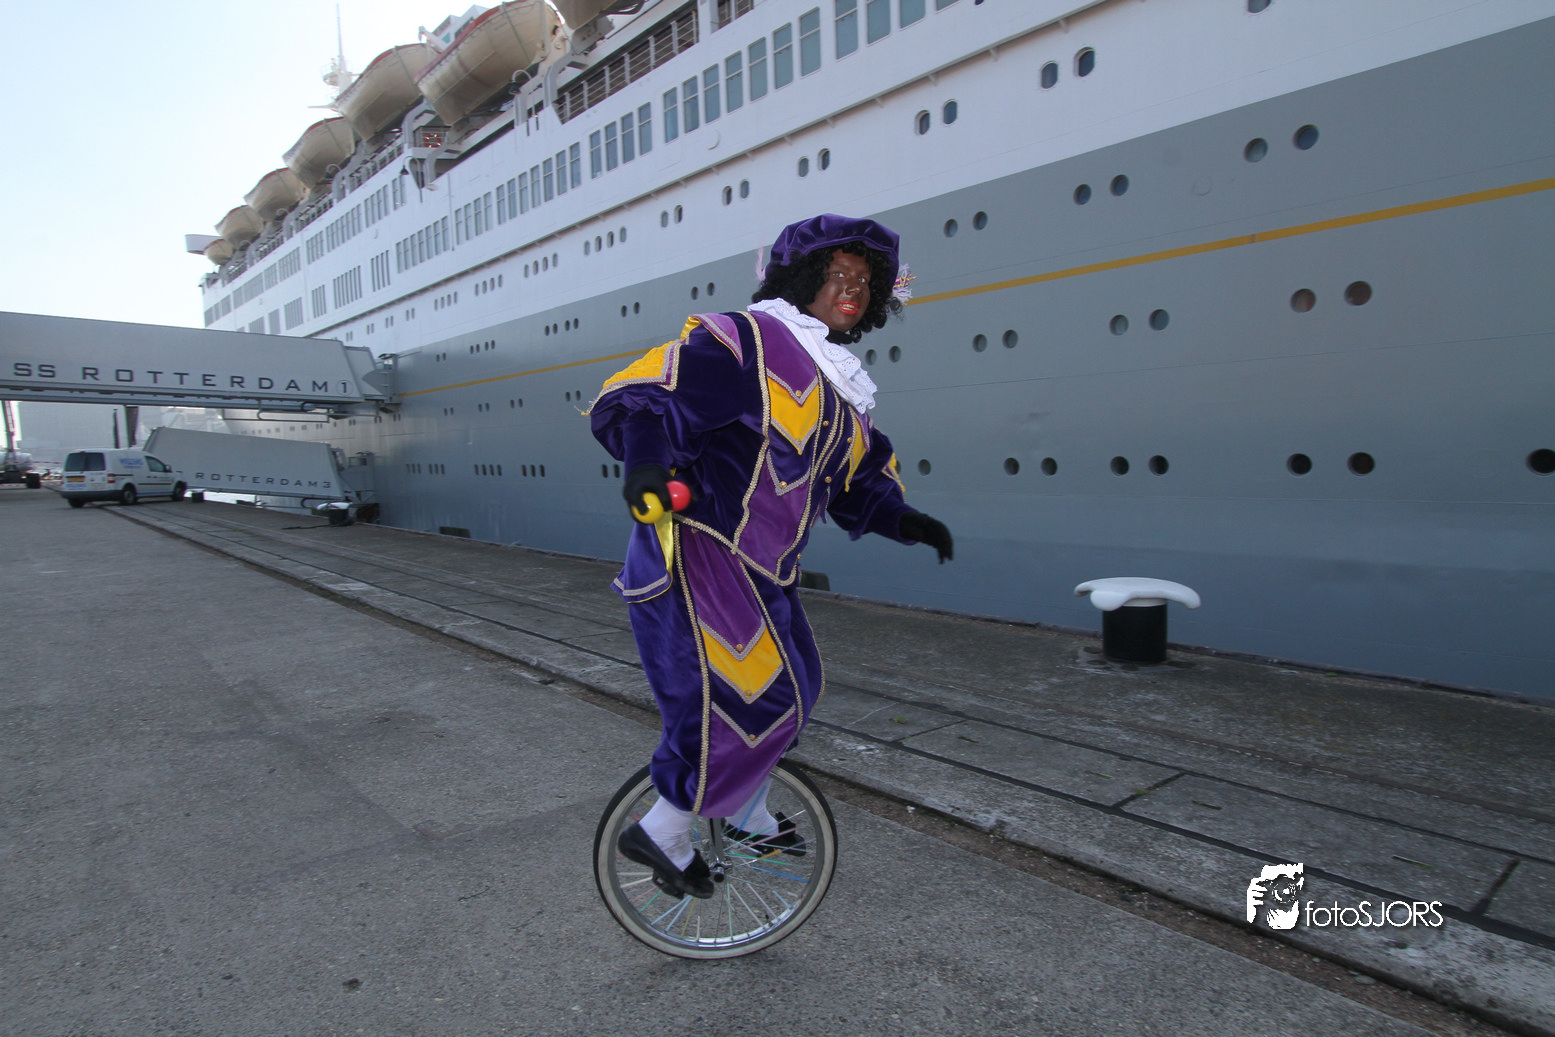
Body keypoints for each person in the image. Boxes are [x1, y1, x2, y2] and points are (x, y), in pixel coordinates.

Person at [589, 214, 954, 898]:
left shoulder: (840, 391)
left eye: (865, 281)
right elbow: (655, 399)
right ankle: (663, 828)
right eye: (838, 274)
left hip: (765, 572)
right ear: (803, 278)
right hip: (704, 551)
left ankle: (744, 809)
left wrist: (909, 521)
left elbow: (858, 483)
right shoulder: (750, 341)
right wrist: (645, 469)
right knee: (748, 698)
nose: (852, 289)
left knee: (799, 689)